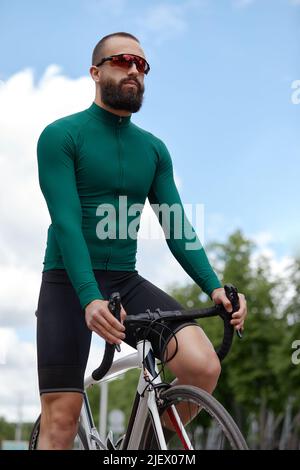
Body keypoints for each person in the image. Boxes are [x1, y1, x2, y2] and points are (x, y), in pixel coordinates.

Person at [36, 32, 247, 450]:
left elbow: (176, 225)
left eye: (142, 65)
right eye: (123, 61)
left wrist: (215, 286)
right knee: (61, 420)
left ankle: (142, 450)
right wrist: (88, 297)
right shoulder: (60, 136)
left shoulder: (153, 150)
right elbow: (66, 222)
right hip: (67, 280)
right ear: (96, 72)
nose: (134, 70)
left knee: (202, 365)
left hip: (124, 279)